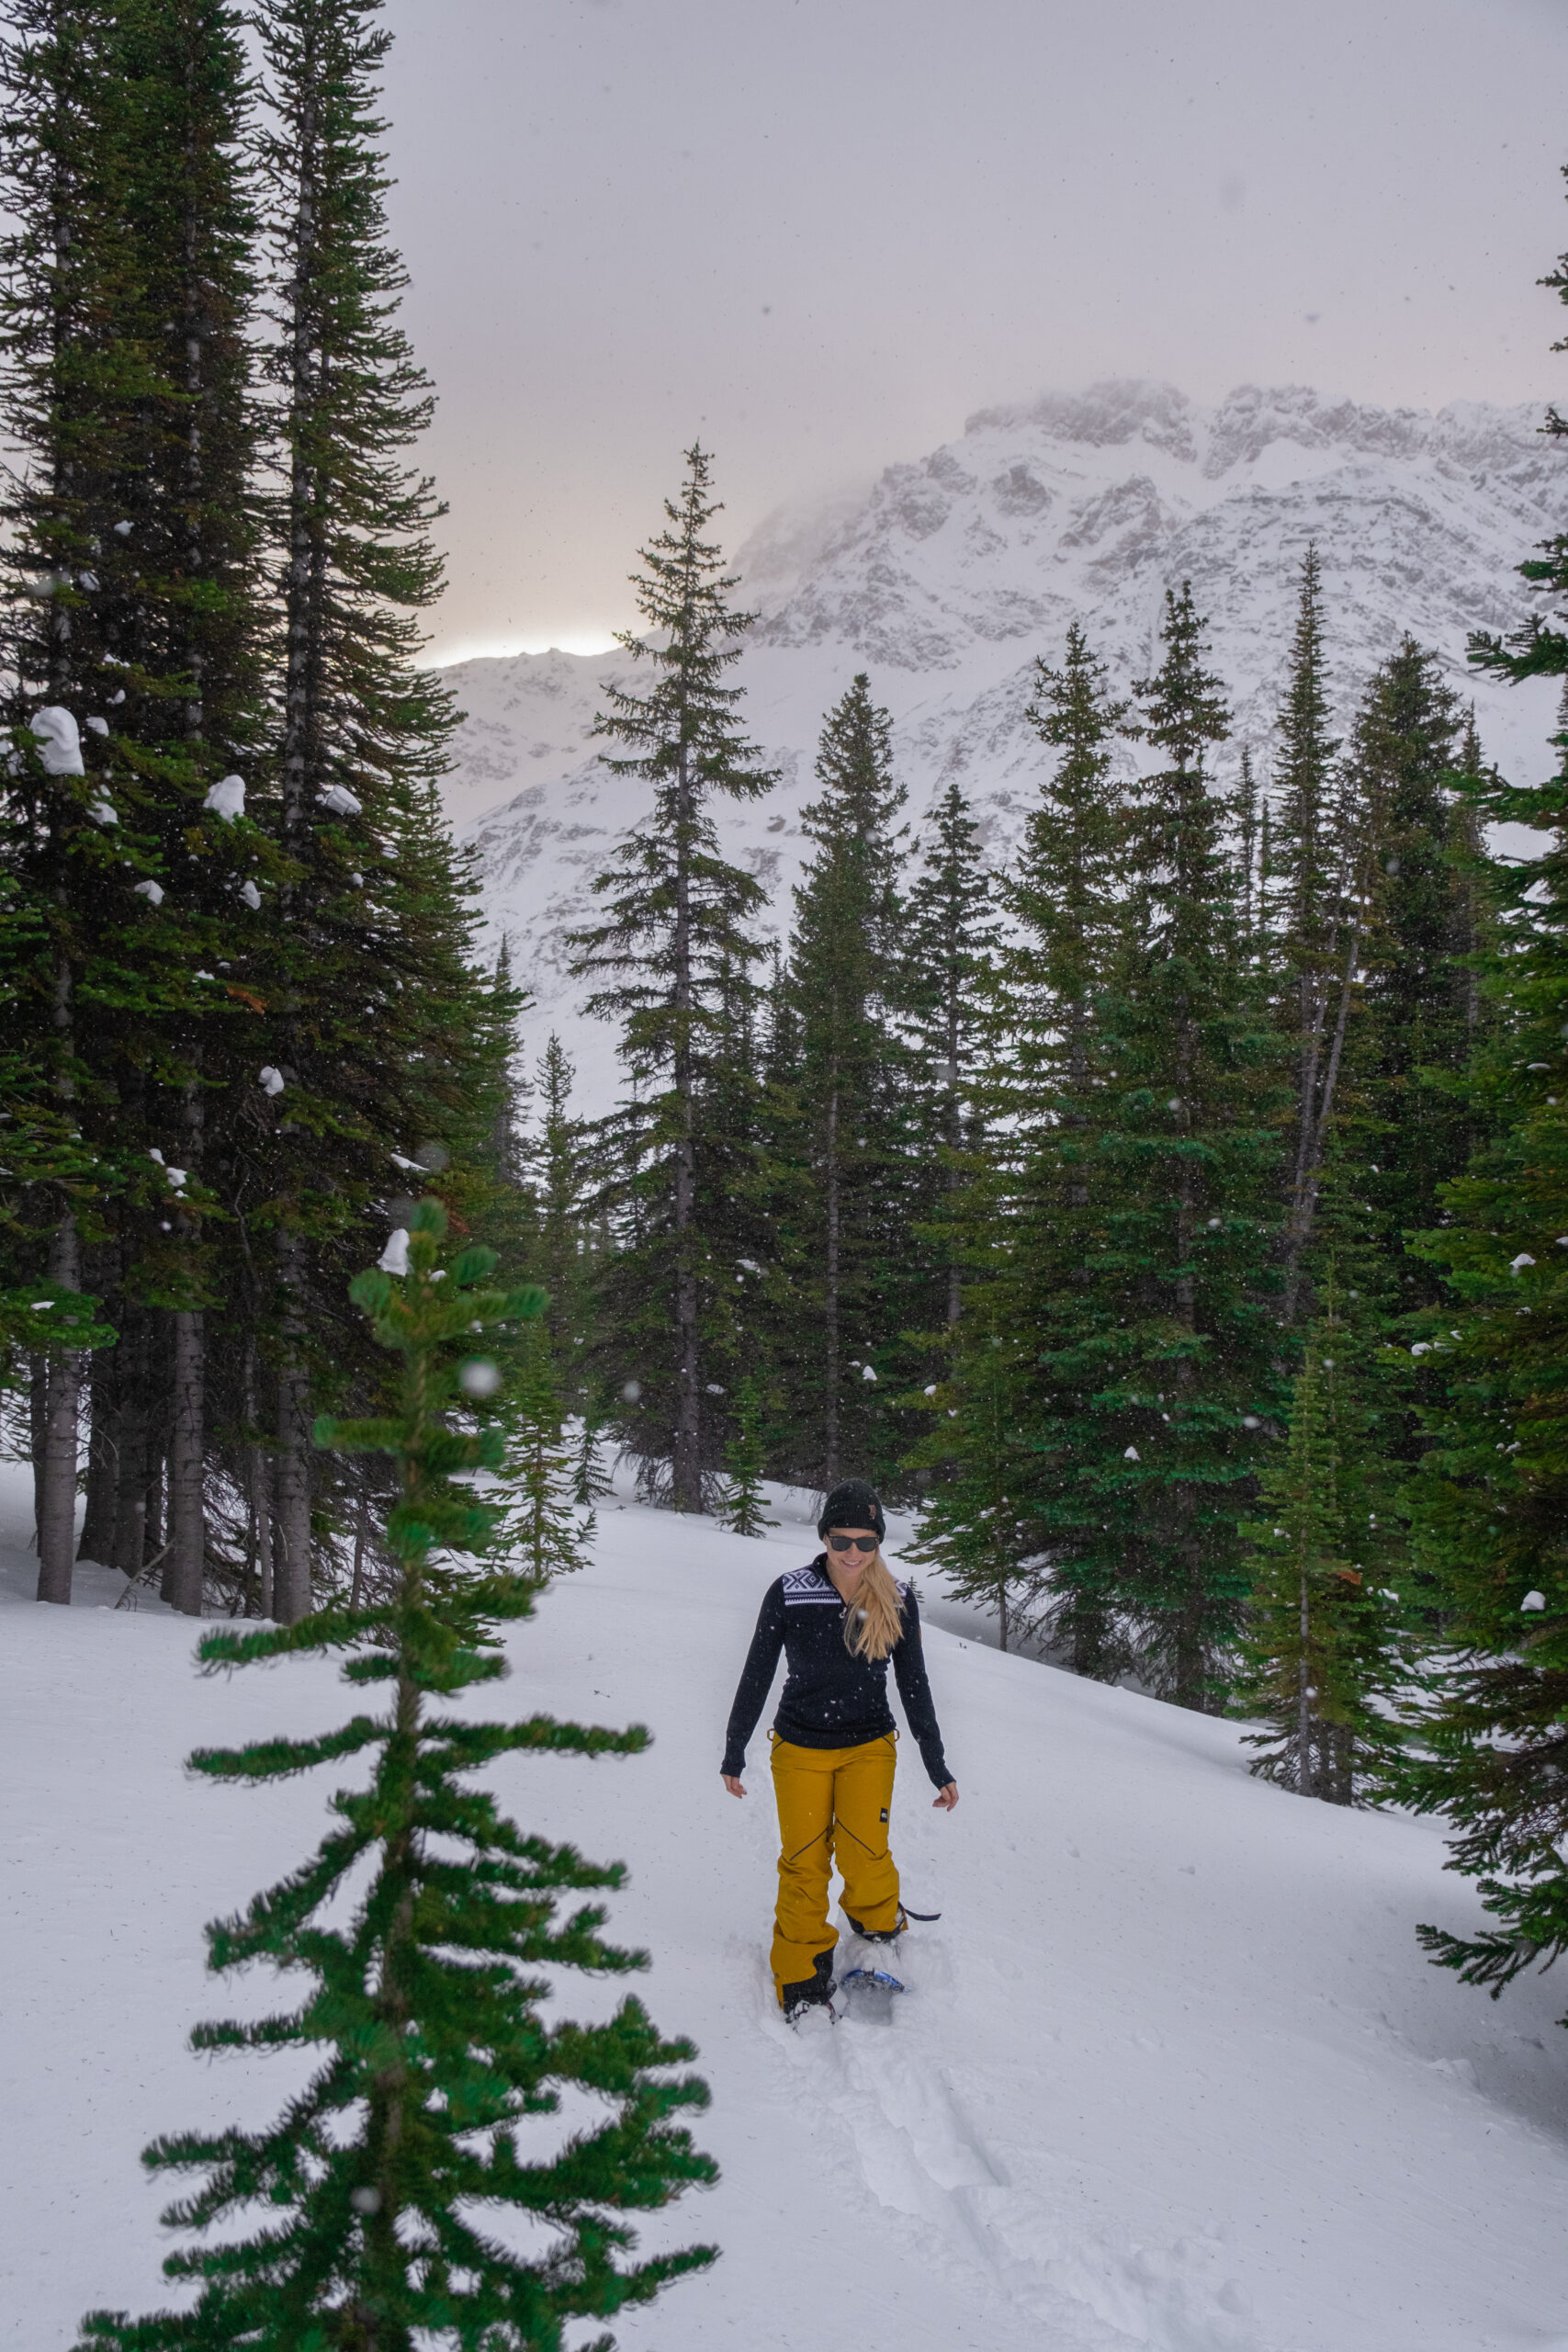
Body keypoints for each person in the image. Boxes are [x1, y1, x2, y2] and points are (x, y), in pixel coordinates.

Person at [721, 1476, 958, 2020]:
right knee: (804, 1865)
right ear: (824, 1537)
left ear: (879, 1544)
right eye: (842, 1540)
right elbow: (757, 1674)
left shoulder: (896, 1599)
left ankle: (878, 1924)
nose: (853, 1553)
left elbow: (914, 1685)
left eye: (866, 1542)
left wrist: (936, 1763)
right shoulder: (790, 1590)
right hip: (799, 1745)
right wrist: (734, 1750)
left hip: (868, 1746)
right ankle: (802, 1974)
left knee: (863, 1851)